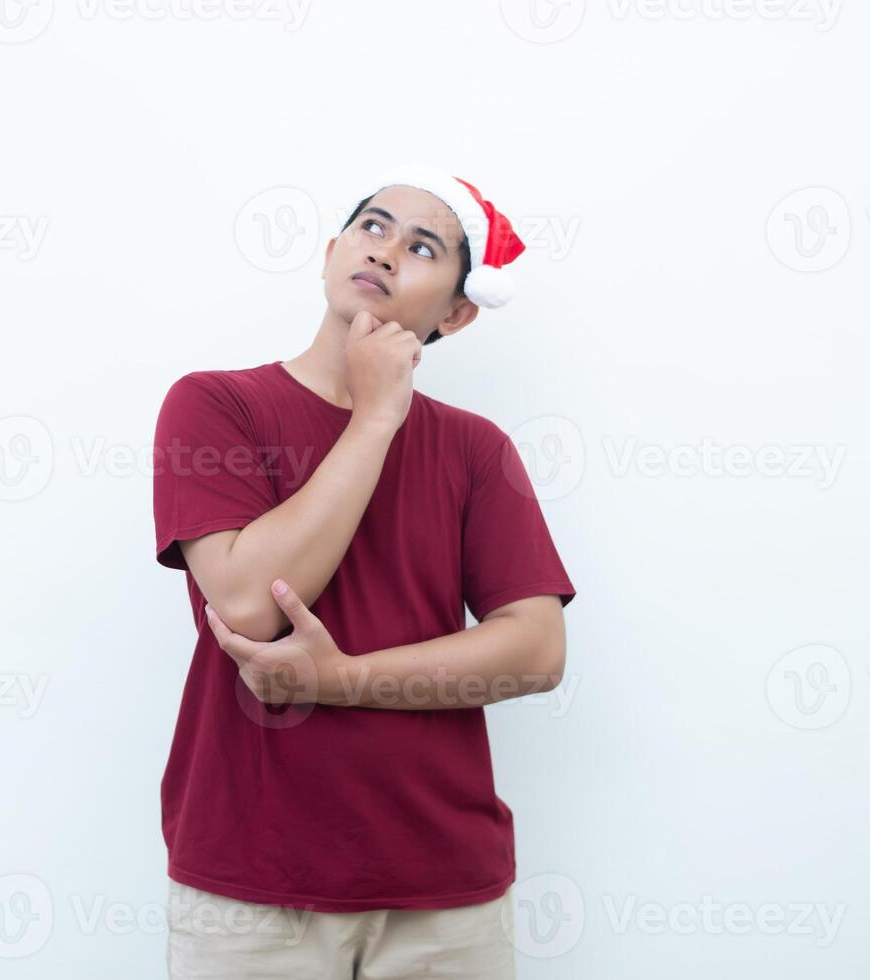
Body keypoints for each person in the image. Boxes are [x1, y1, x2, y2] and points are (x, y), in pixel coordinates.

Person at [151, 164, 577, 979]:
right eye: (372, 228)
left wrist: (338, 678)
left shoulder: (475, 449)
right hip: (252, 886)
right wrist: (378, 415)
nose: (384, 253)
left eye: (420, 246)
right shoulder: (214, 406)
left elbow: (536, 651)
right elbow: (248, 604)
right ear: (328, 254)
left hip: (445, 895)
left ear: (456, 310)